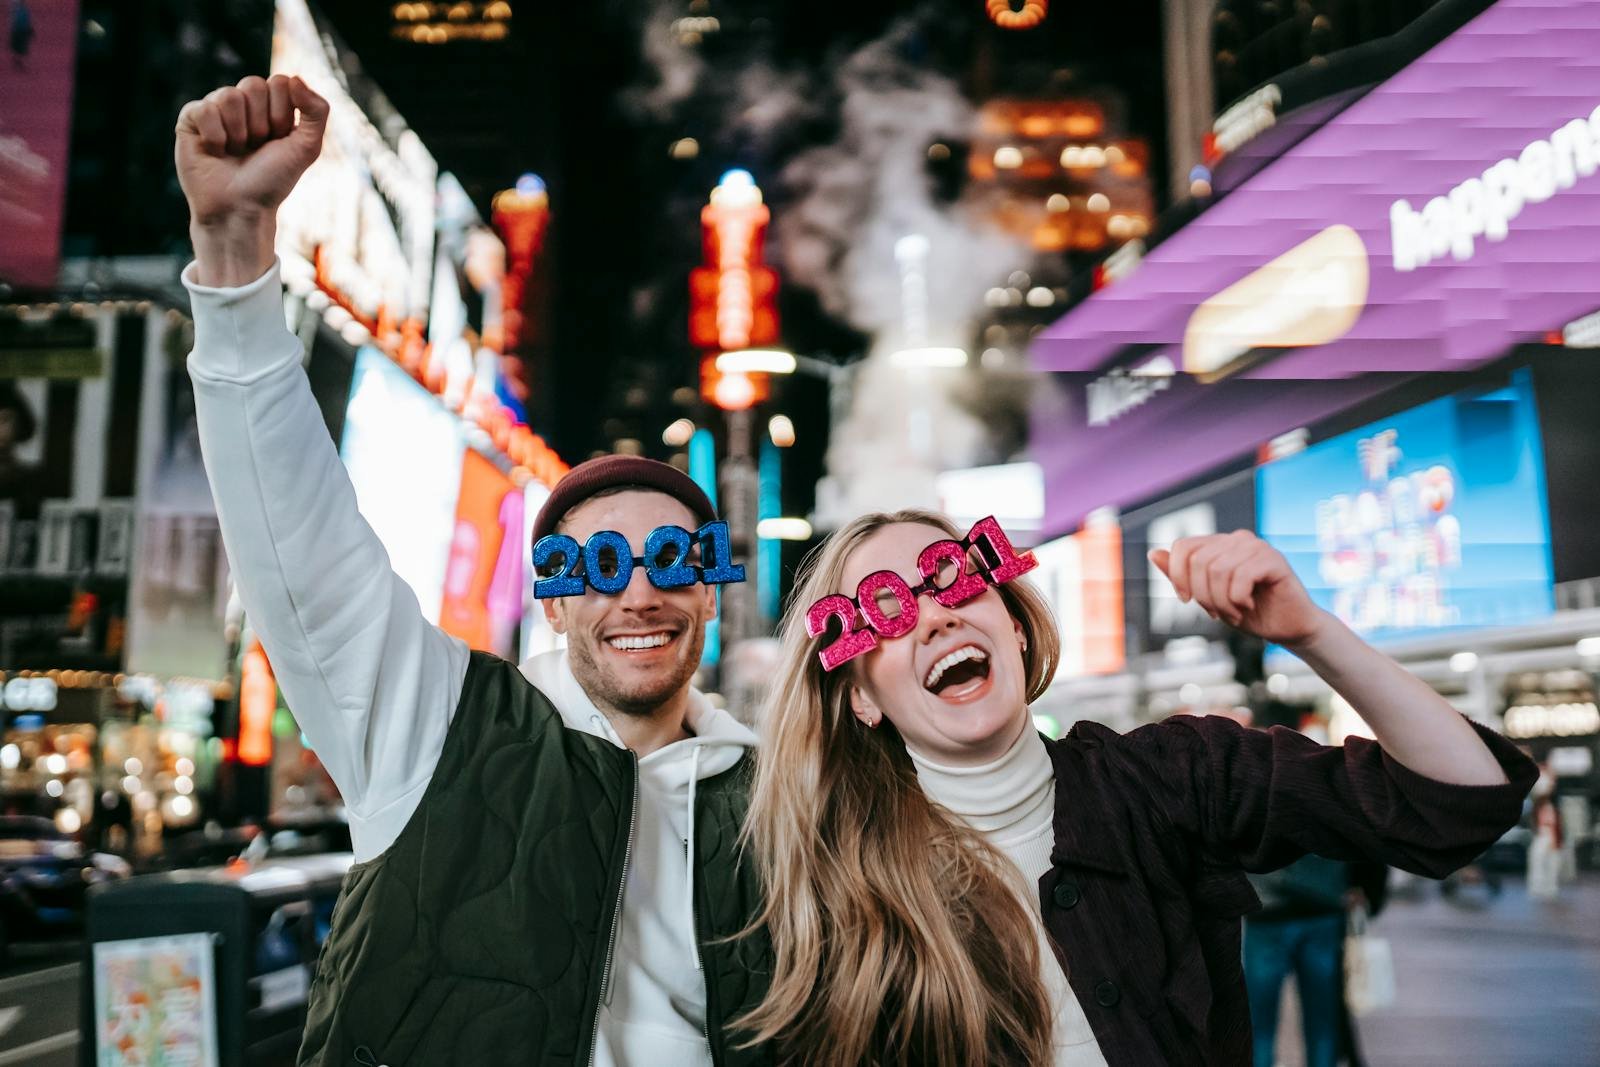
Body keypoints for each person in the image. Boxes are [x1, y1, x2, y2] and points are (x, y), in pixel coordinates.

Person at [175, 75, 769, 1066]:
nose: (638, 590)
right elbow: (300, 541)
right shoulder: (438, 726)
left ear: (707, 582)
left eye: (672, 556)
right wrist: (235, 260)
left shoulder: (781, 797)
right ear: (554, 589)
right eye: (598, 561)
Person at [739, 510, 1536, 1067]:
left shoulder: (1172, 778)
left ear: (1013, 624)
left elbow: (1460, 803)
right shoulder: (829, 887)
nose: (936, 616)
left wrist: (1310, 632)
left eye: (951, 579)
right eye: (886, 609)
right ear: (863, 697)